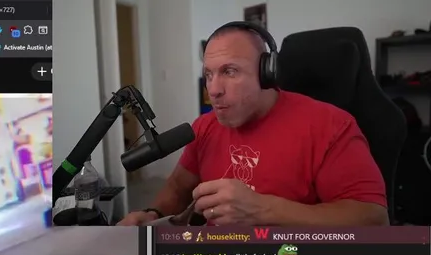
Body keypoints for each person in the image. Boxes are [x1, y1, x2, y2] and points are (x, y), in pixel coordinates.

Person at [118, 23, 387, 228]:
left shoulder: (331, 125)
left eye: (229, 71)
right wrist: (153, 215)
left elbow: (374, 220)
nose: (213, 90)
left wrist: (262, 209)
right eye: (209, 74)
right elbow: (178, 187)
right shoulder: (205, 126)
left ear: (267, 72)